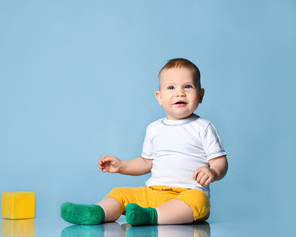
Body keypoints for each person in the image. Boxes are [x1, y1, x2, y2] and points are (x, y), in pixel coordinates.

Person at [61, 58, 228, 226]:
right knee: (120, 193)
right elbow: (146, 162)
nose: (180, 93)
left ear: (200, 95)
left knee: (199, 201)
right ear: (159, 97)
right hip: (153, 192)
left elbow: (220, 161)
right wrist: (122, 166)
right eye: (171, 87)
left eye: (188, 86)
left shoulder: (203, 127)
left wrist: (213, 172)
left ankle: (151, 217)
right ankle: (97, 212)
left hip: (187, 193)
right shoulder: (154, 128)